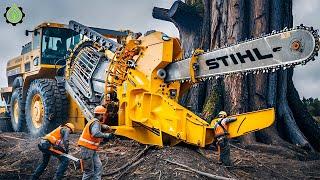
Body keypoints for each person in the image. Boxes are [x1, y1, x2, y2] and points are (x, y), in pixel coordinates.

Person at [78, 105, 113, 180]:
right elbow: (95, 133)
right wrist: (107, 135)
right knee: (89, 172)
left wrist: (105, 127)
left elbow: (97, 127)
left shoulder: (94, 121)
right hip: (87, 149)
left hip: (91, 149)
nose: (104, 117)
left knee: (98, 166)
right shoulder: (96, 123)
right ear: (100, 115)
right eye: (103, 115)